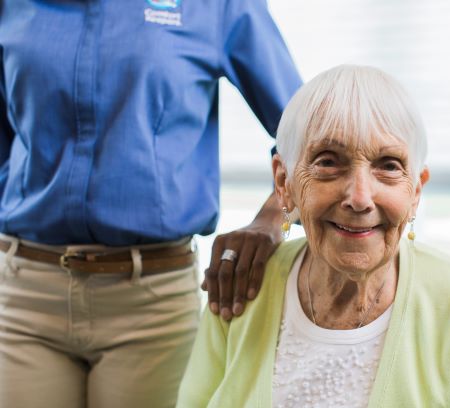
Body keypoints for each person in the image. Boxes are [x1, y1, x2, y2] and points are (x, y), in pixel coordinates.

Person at [0, 0, 301, 407]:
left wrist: (271, 221)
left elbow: (309, 137)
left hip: (152, 306)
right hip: (24, 297)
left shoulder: (217, 6)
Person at [176, 65, 450, 407]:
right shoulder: (241, 285)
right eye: (328, 162)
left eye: (388, 165)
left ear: (415, 192)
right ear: (284, 183)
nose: (359, 198)